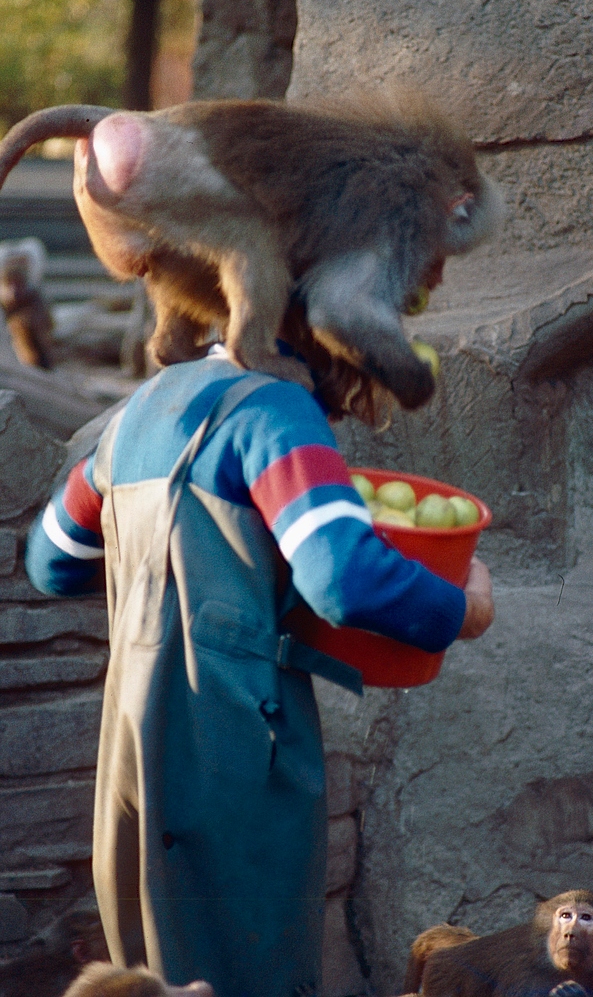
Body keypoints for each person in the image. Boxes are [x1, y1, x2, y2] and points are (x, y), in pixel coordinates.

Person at [26, 311, 494, 997]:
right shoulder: (274, 407)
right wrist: (463, 609)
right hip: (236, 746)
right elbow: (344, 577)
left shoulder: (141, 408)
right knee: (251, 974)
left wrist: (183, 566)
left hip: (131, 751)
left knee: (151, 973)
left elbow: (54, 558)